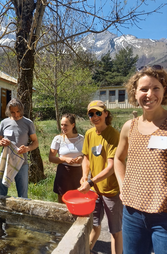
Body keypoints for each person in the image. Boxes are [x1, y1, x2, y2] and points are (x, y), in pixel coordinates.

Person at [114, 65, 167, 254]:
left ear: (164, 90)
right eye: (144, 89)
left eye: (156, 88)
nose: (149, 94)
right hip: (132, 214)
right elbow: (118, 159)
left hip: (164, 216)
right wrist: (123, 186)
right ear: (134, 92)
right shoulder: (130, 127)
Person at [78, 100, 123, 254]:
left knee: (115, 231)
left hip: (111, 190)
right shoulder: (89, 134)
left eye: (98, 113)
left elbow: (111, 167)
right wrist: (85, 176)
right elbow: (86, 158)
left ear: (105, 113)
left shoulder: (113, 135)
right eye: (91, 114)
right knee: (95, 225)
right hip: (95, 190)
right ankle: (87, 250)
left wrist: (90, 182)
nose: (95, 117)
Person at [0, 98, 38, 198]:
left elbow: (35, 142)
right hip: (5, 160)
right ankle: (1, 210)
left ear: (21, 110)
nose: (16, 114)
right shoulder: (4, 122)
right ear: (8, 111)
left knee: (22, 193)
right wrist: (1, 142)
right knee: (0, 188)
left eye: (18, 111)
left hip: (22, 161)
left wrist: (27, 148)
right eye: (13, 112)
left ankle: (22, 212)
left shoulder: (28, 123)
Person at [49, 113, 84, 203]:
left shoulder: (82, 139)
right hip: (63, 173)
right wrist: (65, 159)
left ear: (73, 125)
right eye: (62, 125)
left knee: (78, 200)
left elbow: (87, 156)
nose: (63, 127)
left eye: (66, 125)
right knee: (62, 202)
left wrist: (81, 157)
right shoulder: (58, 139)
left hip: (78, 173)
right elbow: (51, 158)